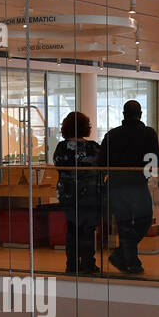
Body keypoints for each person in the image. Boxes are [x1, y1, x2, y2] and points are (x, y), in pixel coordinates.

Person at [100, 100, 159, 276]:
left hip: (116, 185)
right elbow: (155, 158)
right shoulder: (148, 133)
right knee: (144, 219)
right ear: (140, 114)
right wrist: (147, 173)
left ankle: (127, 259)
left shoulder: (112, 135)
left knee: (124, 224)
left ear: (123, 114)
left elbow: (102, 162)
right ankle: (128, 260)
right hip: (137, 183)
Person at [52, 111, 103, 275]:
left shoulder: (61, 147)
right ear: (85, 128)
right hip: (89, 195)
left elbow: (57, 165)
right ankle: (88, 263)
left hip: (67, 194)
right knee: (88, 229)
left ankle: (72, 263)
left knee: (72, 229)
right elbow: (103, 166)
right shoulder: (93, 147)